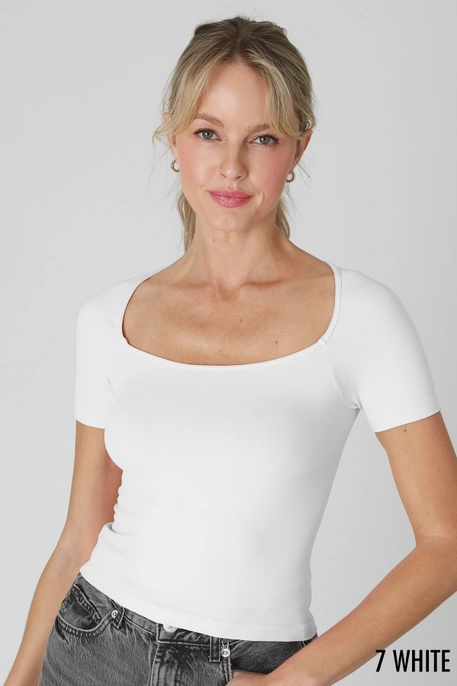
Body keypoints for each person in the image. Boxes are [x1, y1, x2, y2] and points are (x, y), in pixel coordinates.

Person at [5, 15, 457, 686]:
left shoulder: (359, 317)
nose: (232, 166)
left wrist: (294, 680)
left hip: (250, 665)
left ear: (298, 148)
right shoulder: (108, 320)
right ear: (173, 138)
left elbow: (446, 543)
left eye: (263, 138)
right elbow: (78, 537)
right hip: (91, 646)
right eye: (208, 132)